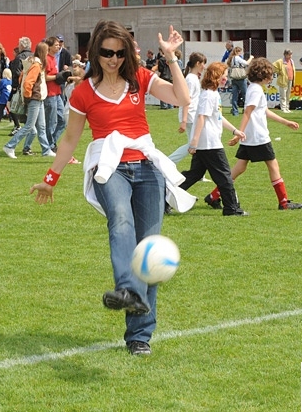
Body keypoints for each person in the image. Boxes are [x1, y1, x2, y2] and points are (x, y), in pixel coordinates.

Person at [30, 20, 191, 356]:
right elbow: (70, 139)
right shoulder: (84, 92)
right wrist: (50, 179)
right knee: (120, 219)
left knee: (148, 250)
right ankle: (127, 289)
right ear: (95, 53)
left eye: (119, 53)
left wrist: (171, 57)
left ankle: (139, 337)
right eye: (106, 53)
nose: (113, 59)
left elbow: (182, 97)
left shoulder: (140, 79)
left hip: (148, 169)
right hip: (108, 167)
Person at [227, 57, 302, 210]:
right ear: (263, 75)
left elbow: (264, 111)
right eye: (270, 75)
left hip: (250, 136)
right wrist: (238, 132)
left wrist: (286, 122)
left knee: (240, 167)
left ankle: (214, 196)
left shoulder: (253, 88)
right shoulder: (256, 90)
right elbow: (248, 112)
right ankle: (283, 202)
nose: (271, 77)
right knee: (273, 165)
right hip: (258, 136)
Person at [184, 62, 248, 216]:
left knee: (194, 175)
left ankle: (166, 197)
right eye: (224, 76)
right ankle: (231, 208)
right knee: (225, 176)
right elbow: (201, 118)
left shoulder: (213, 94)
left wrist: (235, 130)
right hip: (209, 144)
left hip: (207, 143)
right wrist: (194, 142)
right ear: (215, 76)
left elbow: (218, 117)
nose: (226, 79)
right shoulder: (208, 95)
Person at [2, 42, 54, 158]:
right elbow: (28, 82)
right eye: (47, 51)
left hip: (38, 97)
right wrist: (28, 97)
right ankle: (10, 146)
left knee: (41, 126)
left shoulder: (33, 63)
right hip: (35, 98)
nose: (48, 54)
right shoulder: (36, 65)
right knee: (29, 126)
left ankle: (46, 150)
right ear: (43, 52)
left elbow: (22, 77)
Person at [168, 52, 207, 164]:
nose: (204, 67)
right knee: (193, 144)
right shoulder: (190, 79)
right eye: (203, 64)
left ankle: (198, 169)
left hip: (192, 114)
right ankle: (168, 162)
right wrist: (184, 121)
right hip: (190, 115)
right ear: (198, 63)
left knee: (196, 143)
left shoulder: (193, 78)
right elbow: (186, 100)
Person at [8, 37, 33, 136]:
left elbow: (16, 73)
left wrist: (15, 87)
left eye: (19, 44)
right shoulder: (34, 56)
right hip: (32, 86)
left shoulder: (19, 57)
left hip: (20, 86)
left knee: (12, 105)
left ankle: (18, 126)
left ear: (22, 45)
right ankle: (27, 127)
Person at [226, 46, 253, 117]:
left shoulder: (231, 59)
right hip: (241, 78)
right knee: (245, 95)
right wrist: (251, 58)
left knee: (235, 96)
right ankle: (246, 109)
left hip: (234, 78)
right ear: (238, 52)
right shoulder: (237, 58)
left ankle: (235, 111)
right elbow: (246, 63)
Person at [272, 49, 295, 113]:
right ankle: (283, 108)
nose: (290, 56)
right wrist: (279, 72)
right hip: (283, 80)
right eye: (289, 55)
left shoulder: (291, 61)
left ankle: (287, 107)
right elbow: (273, 66)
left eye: (291, 55)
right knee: (283, 95)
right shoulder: (280, 61)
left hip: (290, 79)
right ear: (285, 55)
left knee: (288, 95)